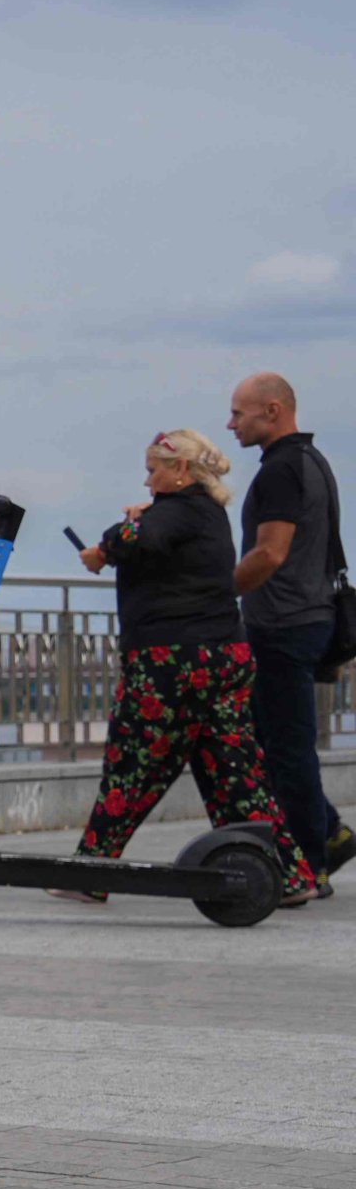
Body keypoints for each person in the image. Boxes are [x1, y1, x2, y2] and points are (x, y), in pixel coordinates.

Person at [70, 428, 323, 900]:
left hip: (172, 663)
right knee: (236, 774)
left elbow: (139, 542)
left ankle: (91, 872)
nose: (147, 483)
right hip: (224, 656)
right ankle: (286, 877)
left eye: (153, 471)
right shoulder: (208, 511)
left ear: (181, 470)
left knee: (134, 764)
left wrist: (106, 545)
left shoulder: (175, 511)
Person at [228, 374, 350, 880]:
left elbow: (270, 552)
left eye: (239, 413)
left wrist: (214, 595)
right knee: (267, 742)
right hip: (305, 618)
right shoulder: (312, 462)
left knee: (287, 750)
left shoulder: (282, 469)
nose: (231, 423)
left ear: (272, 410)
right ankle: (329, 834)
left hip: (283, 625)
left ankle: (308, 866)